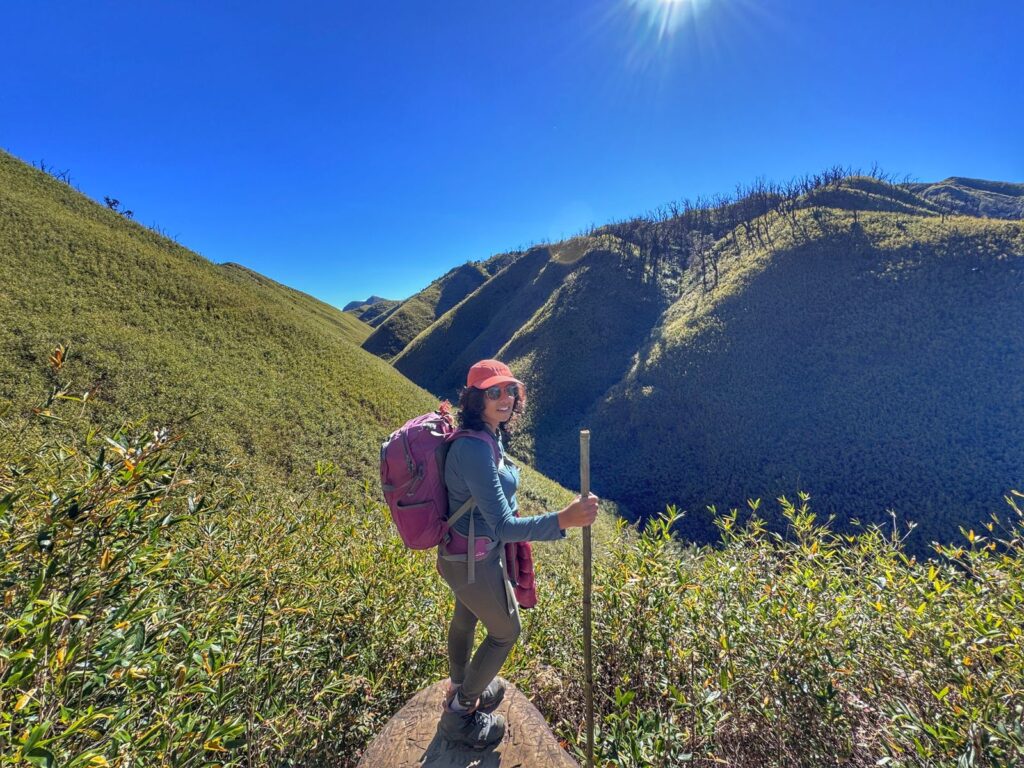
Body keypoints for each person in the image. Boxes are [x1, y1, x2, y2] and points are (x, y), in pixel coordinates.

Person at [437, 359, 600, 749]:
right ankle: (460, 713)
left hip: (462, 555)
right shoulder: (475, 450)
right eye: (493, 392)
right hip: (474, 561)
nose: (505, 398)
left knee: (466, 617)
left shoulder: (486, 436)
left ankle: (461, 684)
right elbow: (503, 527)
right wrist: (564, 518)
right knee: (506, 631)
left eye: (510, 390)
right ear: (475, 400)